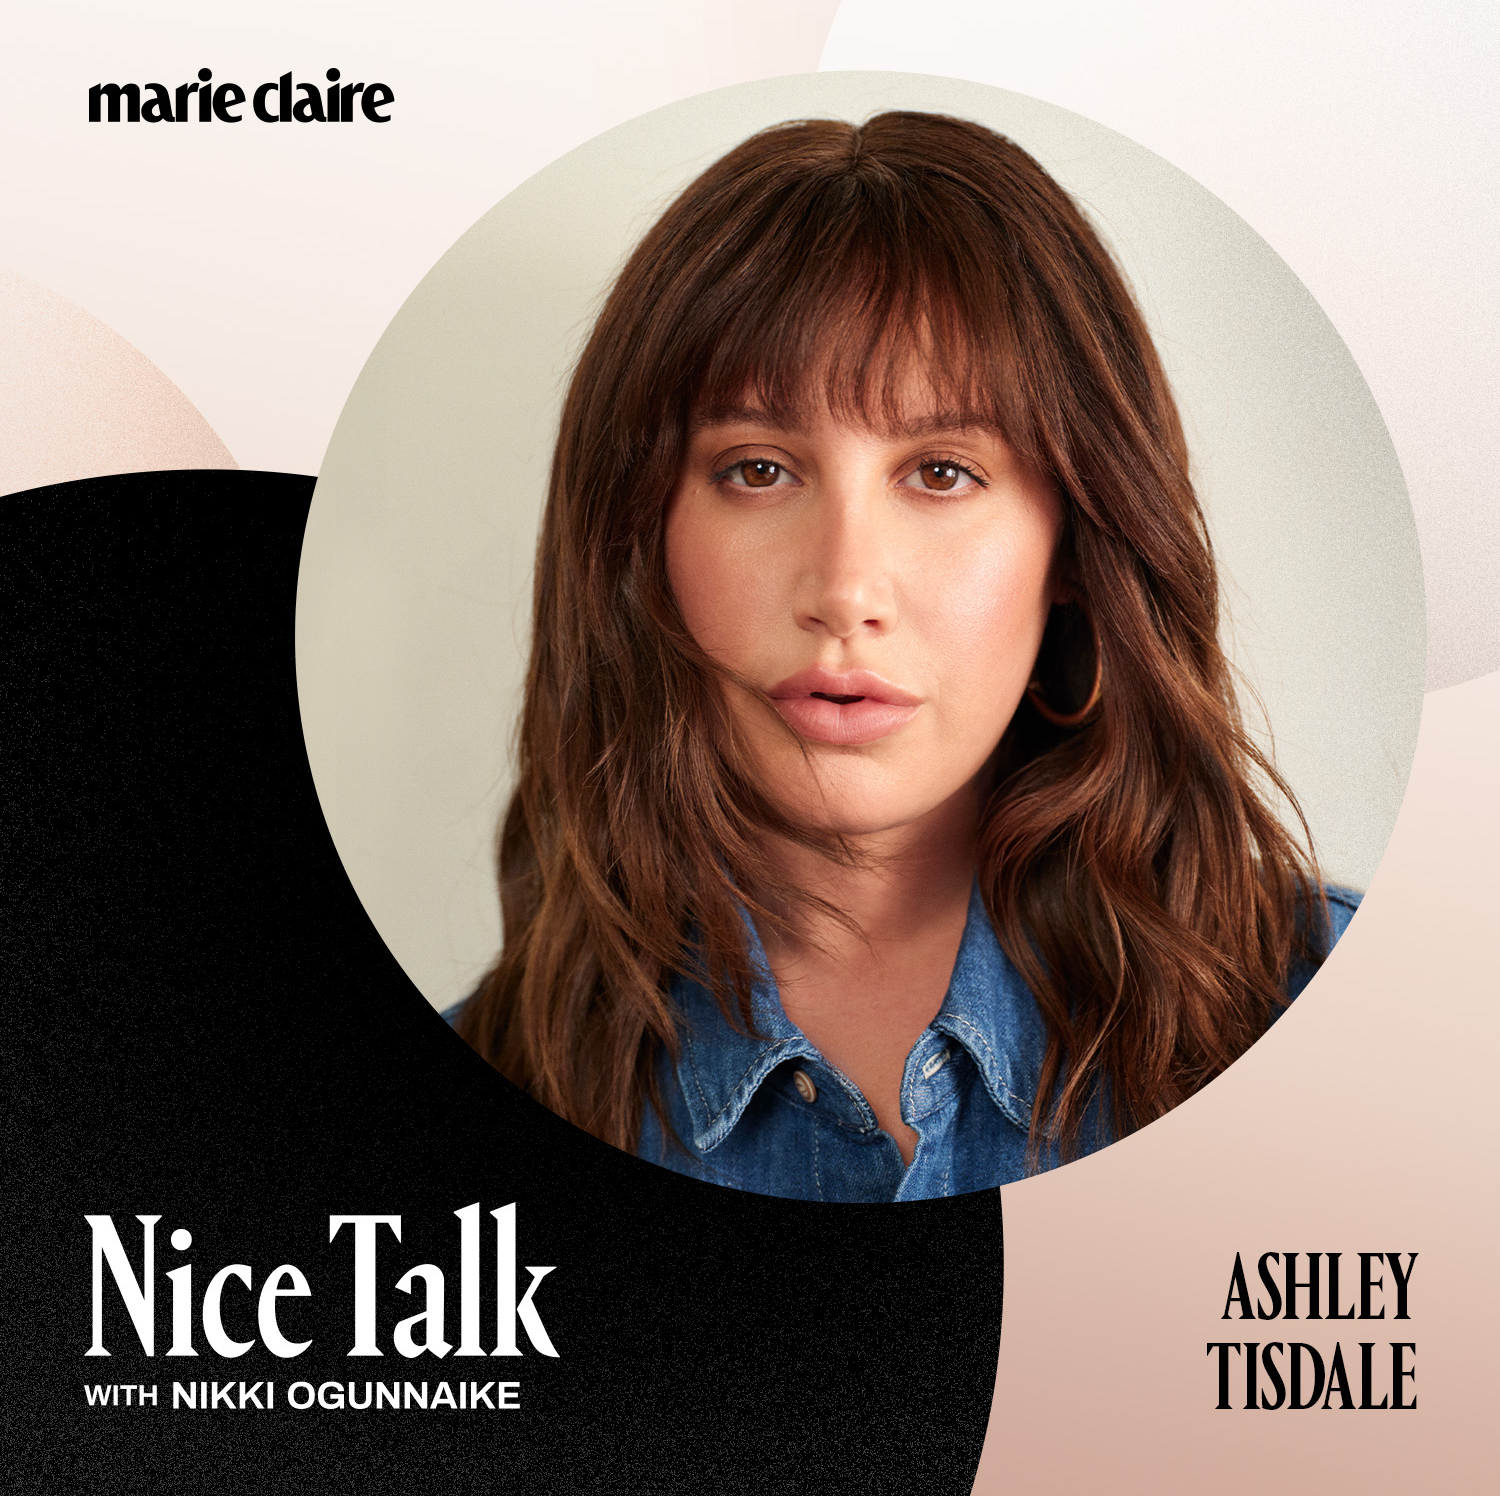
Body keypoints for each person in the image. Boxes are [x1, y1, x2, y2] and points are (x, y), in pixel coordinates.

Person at [449, 110, 1358, 1202]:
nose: (844, 591)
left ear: (1075, 540)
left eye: (941, 474)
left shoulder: (1338, 1012)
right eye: (757, 470)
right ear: (639, 537)